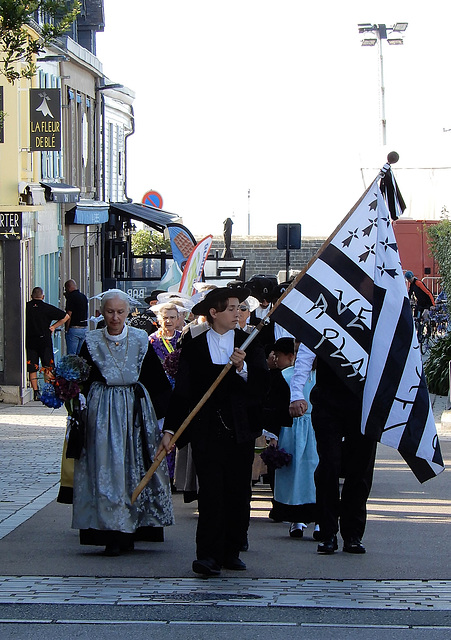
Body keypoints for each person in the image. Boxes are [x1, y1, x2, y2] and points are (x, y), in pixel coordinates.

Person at [160, 286, 269, 576]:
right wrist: (170, 430)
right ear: (214, 313)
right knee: (211, 493)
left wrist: (243, 368)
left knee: (237, 491)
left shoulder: (250, 343)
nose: (237, 313)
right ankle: (207, 555)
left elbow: (262, 387)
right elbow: (182, 392)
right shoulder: (195, 347)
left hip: (240, 430)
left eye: (238, 308)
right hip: (207, 430)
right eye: (231, 308)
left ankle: (231, 550)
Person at [72, 290, 174, 556]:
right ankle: (109, 530)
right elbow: (81, 378)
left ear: (128, 313)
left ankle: (134, 526)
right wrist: (76, 401)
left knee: (134, 468)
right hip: (101, 412)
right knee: (104, 468)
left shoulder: (141, 339)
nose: (115, 318)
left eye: (120, 312)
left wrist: (163, 420)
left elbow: (155, 380)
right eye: (109, 312)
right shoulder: (91, 340)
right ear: (102, 312)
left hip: (135, 413)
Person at [290, 344, 377, 555]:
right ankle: (327, 531)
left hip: (364, 404)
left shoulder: (372, 316)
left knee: (360, 469)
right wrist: (296, 393)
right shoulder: (326, 314)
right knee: (329, 465)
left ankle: (353, 534)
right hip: (328, 401)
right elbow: (305, 355)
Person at [270, 339, 319, 540]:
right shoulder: (286, 376)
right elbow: (275, 407)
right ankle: (295, 519)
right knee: (294, 475)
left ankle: (319, 520)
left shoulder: (323, 378)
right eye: (298, 352)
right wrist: (273, 435)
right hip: (291, 431)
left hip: (316, 431)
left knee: (315, 474)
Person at [26, 287, 69, 401]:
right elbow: (66, 316)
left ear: (31, 296)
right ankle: (48, 391)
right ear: (43, 297)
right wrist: (54, 327)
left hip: (30, 340)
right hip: (44, 340)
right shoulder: (46, 308)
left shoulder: (27, 307)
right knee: (47, 366)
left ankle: (36, 392)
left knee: (32, 367)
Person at [64, 279, 88, 355]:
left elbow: (68, 315)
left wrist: (67, 329)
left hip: (74, 328)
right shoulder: (83, 297)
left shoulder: (71, 297)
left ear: (68, 287)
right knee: (81, 355)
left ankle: (72, 367)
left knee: (72, 355)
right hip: (84, 328)